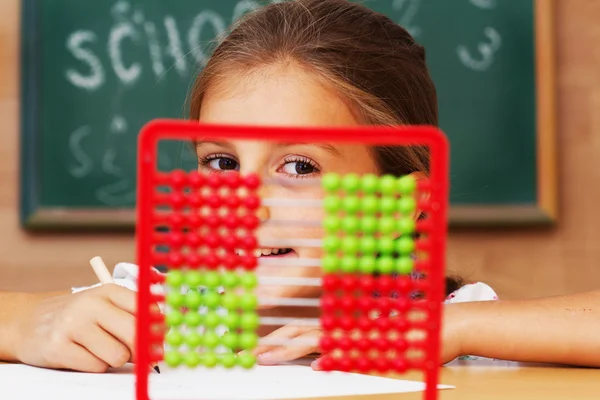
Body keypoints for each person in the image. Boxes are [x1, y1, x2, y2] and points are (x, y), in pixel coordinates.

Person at [1, 0, 599, 373]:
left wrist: (455, 330)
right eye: (221, 163)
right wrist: (27, 322)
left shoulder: (439, 326)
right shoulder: (148, 308)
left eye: (299, 167)